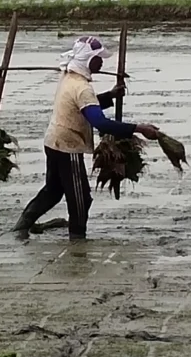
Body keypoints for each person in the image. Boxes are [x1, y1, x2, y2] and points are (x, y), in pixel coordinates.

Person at [11, 36, 160, 242]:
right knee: (81, 198)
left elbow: (85, 106)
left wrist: (110, 96)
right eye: (98, 58)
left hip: (53, 141)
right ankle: (77, 239)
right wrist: (139, 128)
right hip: (67, 147)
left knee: (54, 191)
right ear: (87, 60)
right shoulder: (82, 88)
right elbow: (100, 122)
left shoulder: (68, 77)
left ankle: (23, 224)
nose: (101, 62)